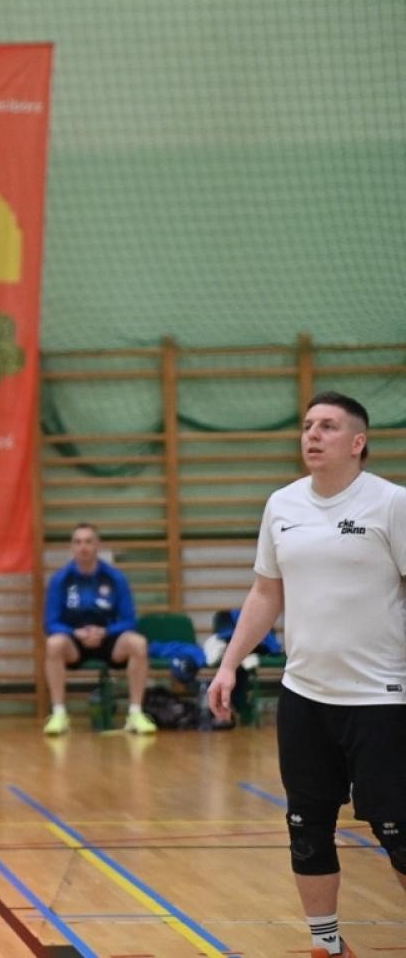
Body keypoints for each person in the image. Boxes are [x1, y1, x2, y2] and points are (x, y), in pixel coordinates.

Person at [207, 392, 406, 958]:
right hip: (304, 697)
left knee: (397, 832)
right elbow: (267, 592)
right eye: (307, 426)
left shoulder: (392, 505)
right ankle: (326, 946)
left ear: (357, 443)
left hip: (381, 699)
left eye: (327, 426)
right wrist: (227, 665)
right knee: (306, 827)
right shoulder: (282, 505)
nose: (312, 435)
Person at [41, 523, 156, 736]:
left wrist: (105, 632)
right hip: (75, 641)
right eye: (78, 542)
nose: (83, 547)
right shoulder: (61, 580)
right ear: (72, 547)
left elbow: (130, 621)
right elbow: (50, 623)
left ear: (97, 545)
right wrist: (76, 633)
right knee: (53, 644)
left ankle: (135, 713)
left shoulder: (115, 578)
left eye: (88, 541)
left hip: (108, 639)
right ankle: (58, 713)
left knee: (138, 643)